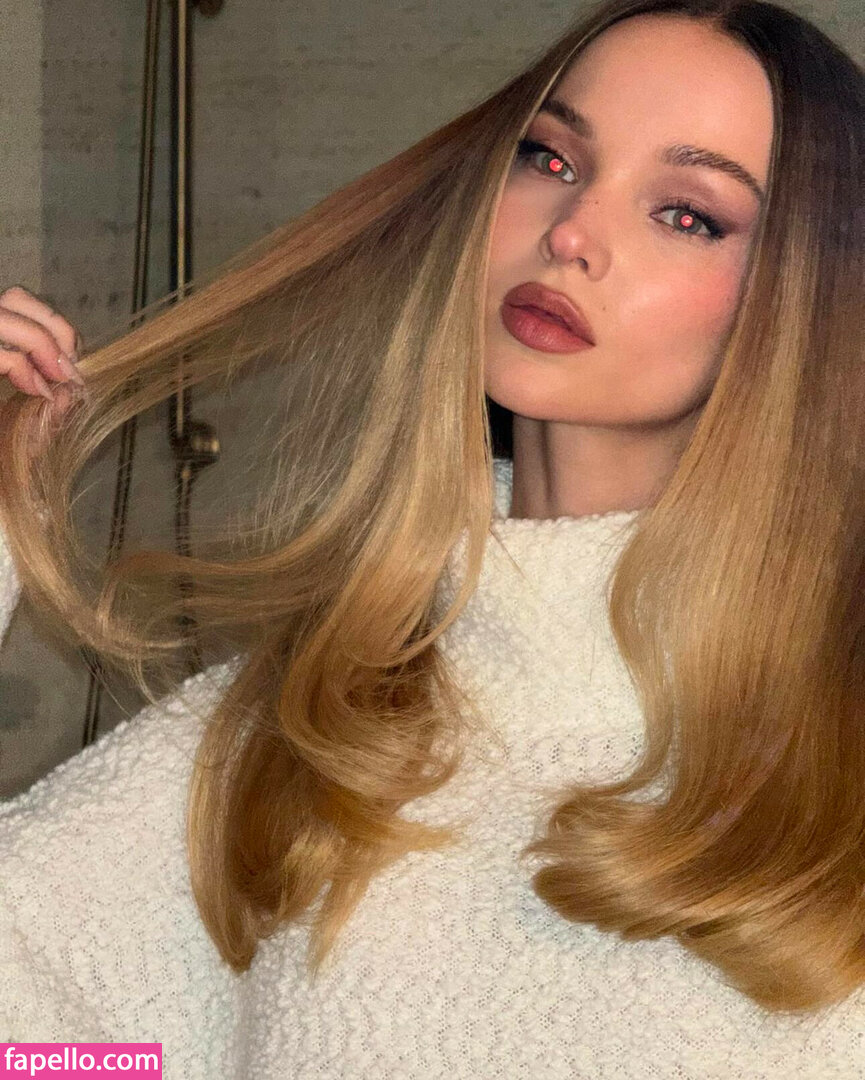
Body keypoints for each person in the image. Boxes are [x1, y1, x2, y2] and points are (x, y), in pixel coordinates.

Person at [0, 0, 862, 1075]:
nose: (571, 231)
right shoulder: (292, 732)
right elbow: (42, 1054)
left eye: (686, 215)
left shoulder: (835, 752)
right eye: (550, 157)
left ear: (804, 306)